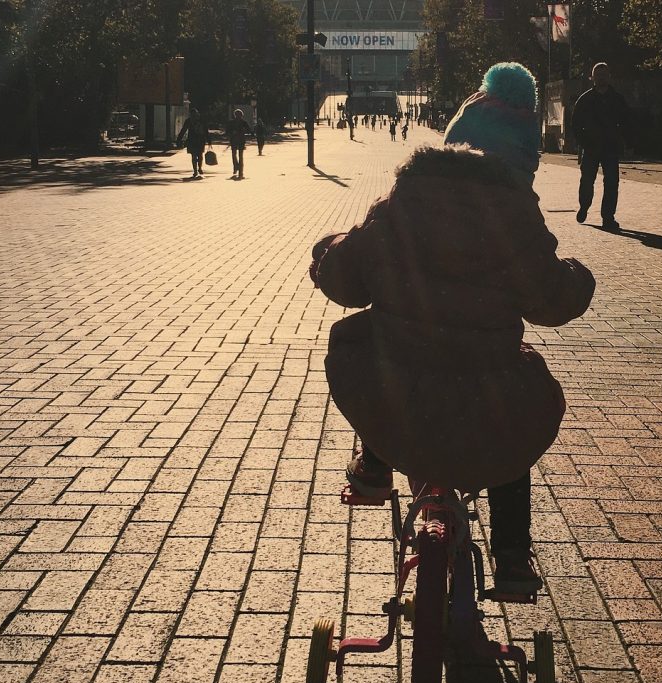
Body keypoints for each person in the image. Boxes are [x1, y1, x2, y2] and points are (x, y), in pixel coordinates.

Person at [309, 62, 595, 595]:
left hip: (403, 382)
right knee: (514, 433)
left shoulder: (400, 203)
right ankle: (510, 557)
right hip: (482, 386)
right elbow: (552, 300)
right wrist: (578, 279)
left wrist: (328, 249)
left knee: (371, 347)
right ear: (522, 161)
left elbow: (346, 280)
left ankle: (373, 467)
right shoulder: (515, 216)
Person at [571, 62, 631, 231]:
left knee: (612, 183)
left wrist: (626, 142)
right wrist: (582, 142)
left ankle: (608, 217)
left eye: (604, 75)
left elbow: (626, 122)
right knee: (587, 180)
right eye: (598, 75)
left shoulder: (617, 99)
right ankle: (584, 206)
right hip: (590, 147)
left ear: (609, 77)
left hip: (611, 147)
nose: (601, 78)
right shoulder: (585, 99)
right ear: (593, 78)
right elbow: (575, 124)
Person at [175, 108, 211, 179]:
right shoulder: (190, 121)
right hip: (195, 140)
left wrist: (179, 139)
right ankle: (196, 170)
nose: (194, 116)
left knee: (198, 155)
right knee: (195, 155)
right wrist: (179, 138)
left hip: (196, 140)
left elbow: (205, 130)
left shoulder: (199, 120)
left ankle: (198, 168)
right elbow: (184, 130)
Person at [227, 109, 252, 179]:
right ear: (235, 115)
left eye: (239, 115)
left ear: (241, 115)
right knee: (234, 155)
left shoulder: (244, 122)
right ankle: (236, 167)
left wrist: (243, 131)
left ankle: (240, 172)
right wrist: (232, 132)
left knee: (240, 156)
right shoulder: (231, 123)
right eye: (237, 115)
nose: (238, 116)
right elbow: (227, 131)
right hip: (233, 141)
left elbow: (249, 130)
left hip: (241, 141)